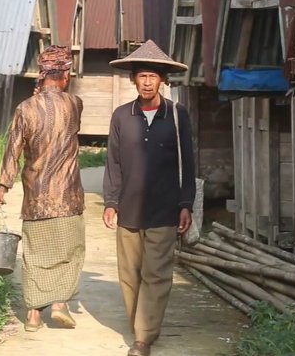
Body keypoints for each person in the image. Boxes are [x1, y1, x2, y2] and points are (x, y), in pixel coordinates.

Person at [102, 40, 196, 356]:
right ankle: (141, 327)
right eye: (141, 76)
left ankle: (143, 337)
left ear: (162, 80)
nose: (146, 82)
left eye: (152, 77)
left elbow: (188, 162)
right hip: (128, 207)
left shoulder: (177, 115)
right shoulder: (121, 116)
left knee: (156, 274)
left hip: (164, 207)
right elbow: (113, 162)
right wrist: (110, 202)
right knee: (129, 275)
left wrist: (186, 204)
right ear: (133, 79)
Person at [0, 45, 85, 332]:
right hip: (68, 196)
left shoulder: (25, 109)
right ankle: (59, 304)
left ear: (41, 74)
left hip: (36, 198)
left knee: (34, 254)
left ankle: (33, 315)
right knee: (69, 251)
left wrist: (3, 185)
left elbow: (13, 149)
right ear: (65, 75)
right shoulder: (75, 104)